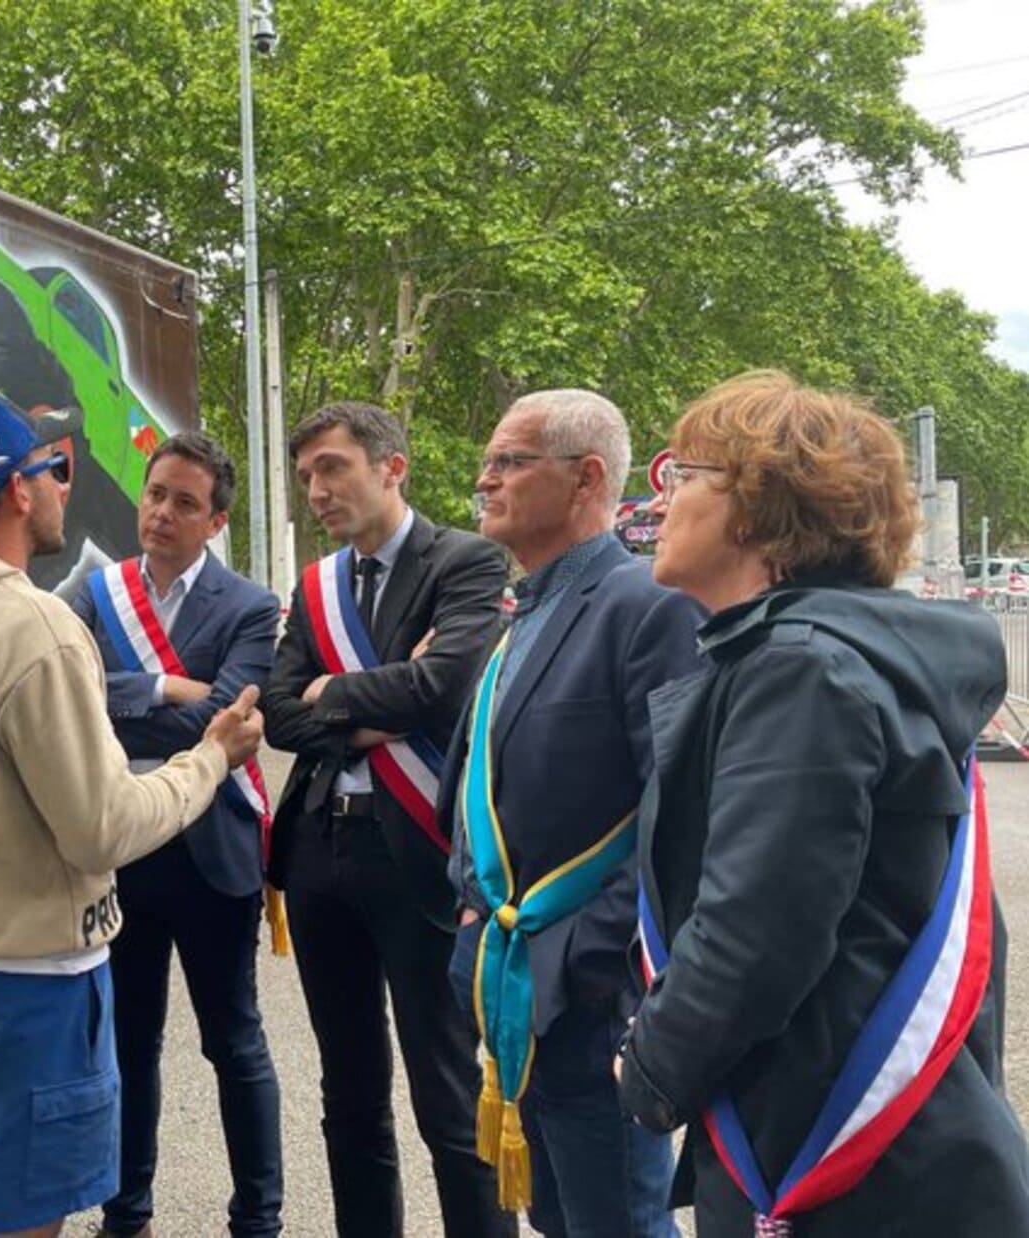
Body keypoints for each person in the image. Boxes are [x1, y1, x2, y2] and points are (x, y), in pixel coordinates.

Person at [615, 371, 1029, 1237]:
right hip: (874, 1137)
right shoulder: (835, 651)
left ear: (758, 509)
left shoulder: (800, 666)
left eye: (682, 473)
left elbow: (756, 929)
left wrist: (649, 1069)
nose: (662, 496)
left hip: (840, 1153)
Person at [0, 391, 265, 1238]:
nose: (67, 486)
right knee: (24, 1217)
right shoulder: (34, 625)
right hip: (26, 978)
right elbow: (101, 827)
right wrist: (212, 755)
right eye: (56, 469)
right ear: (17, 491)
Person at [440, 391, 701, 1236]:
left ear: (588, 478)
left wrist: (594, 955)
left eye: (510, 462)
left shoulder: (647, 607)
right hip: (514, 981)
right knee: (558, 1218)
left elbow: (678, 808)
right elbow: (481, 784)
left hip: (587, 998)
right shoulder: (525, 610)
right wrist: (473, 904)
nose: (486, 480)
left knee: (615, 1223)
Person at [263, 401, 514, 1238]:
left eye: (332, 468)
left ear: (391, 466)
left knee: (446, 1092)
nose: (317, 490)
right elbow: (275, 712)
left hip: (420, 852)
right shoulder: (314, 584)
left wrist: (328, 696)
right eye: (306, 477)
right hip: (318, 853)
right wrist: (373, 705)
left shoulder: (468, 562)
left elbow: (443, 685)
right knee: (349, 1094)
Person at [70, 431, 284, 1238]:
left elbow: (226, 718)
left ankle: (257, 1218)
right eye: (156, 494)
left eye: (185, 503)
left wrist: (135, 709)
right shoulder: (95, 593)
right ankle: (125, 1214)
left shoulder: (251, 607)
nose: (162, 512)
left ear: (215, 520)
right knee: (127, 1046)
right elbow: (71, 698)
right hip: (121, 852)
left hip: (211, 853)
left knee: (235, 1045)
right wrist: (160, 684)